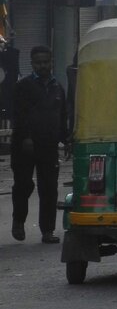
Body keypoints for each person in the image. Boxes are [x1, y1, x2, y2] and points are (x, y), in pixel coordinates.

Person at [11, 45, 68, 244]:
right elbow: (18, 114)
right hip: (24, 146)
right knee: (24, 185)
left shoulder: (57, 87)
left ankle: (48, 231)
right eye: (38, 62)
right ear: (32, 64)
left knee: (49, 189)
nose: (43, 66)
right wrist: (26, 137)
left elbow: (62, 116)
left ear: (51, 62)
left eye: (46, 62)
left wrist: (66, 140)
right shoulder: (23, 86)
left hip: (49, 146)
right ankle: (18, 220)